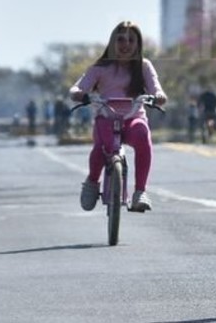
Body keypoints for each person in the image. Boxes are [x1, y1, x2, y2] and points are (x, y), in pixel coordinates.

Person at [70, 21, 168, 212]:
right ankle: (92, 182)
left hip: (133, 117)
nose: (126, 44)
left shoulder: (144, 66)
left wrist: (159, 97)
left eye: (131, 40)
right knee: (103, 147)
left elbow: (157, 90)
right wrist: (80, 94)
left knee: (142, 135)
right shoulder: (100, 68)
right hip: (106, 117)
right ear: (112, 42)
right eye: (121, 39)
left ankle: (140, 192)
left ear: (138, 44)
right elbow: (77, 88)